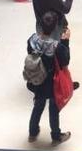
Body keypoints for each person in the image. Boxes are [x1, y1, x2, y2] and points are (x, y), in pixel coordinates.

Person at [26, 12, 72, 144]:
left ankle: (32, 133)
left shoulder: (32, 40)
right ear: (55, 28)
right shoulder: (57, 46)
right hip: (52, 83)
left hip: (37, 79)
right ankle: (56, 136)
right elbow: (65, 62)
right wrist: (65, 42)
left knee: (38, 105)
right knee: (54, 108)